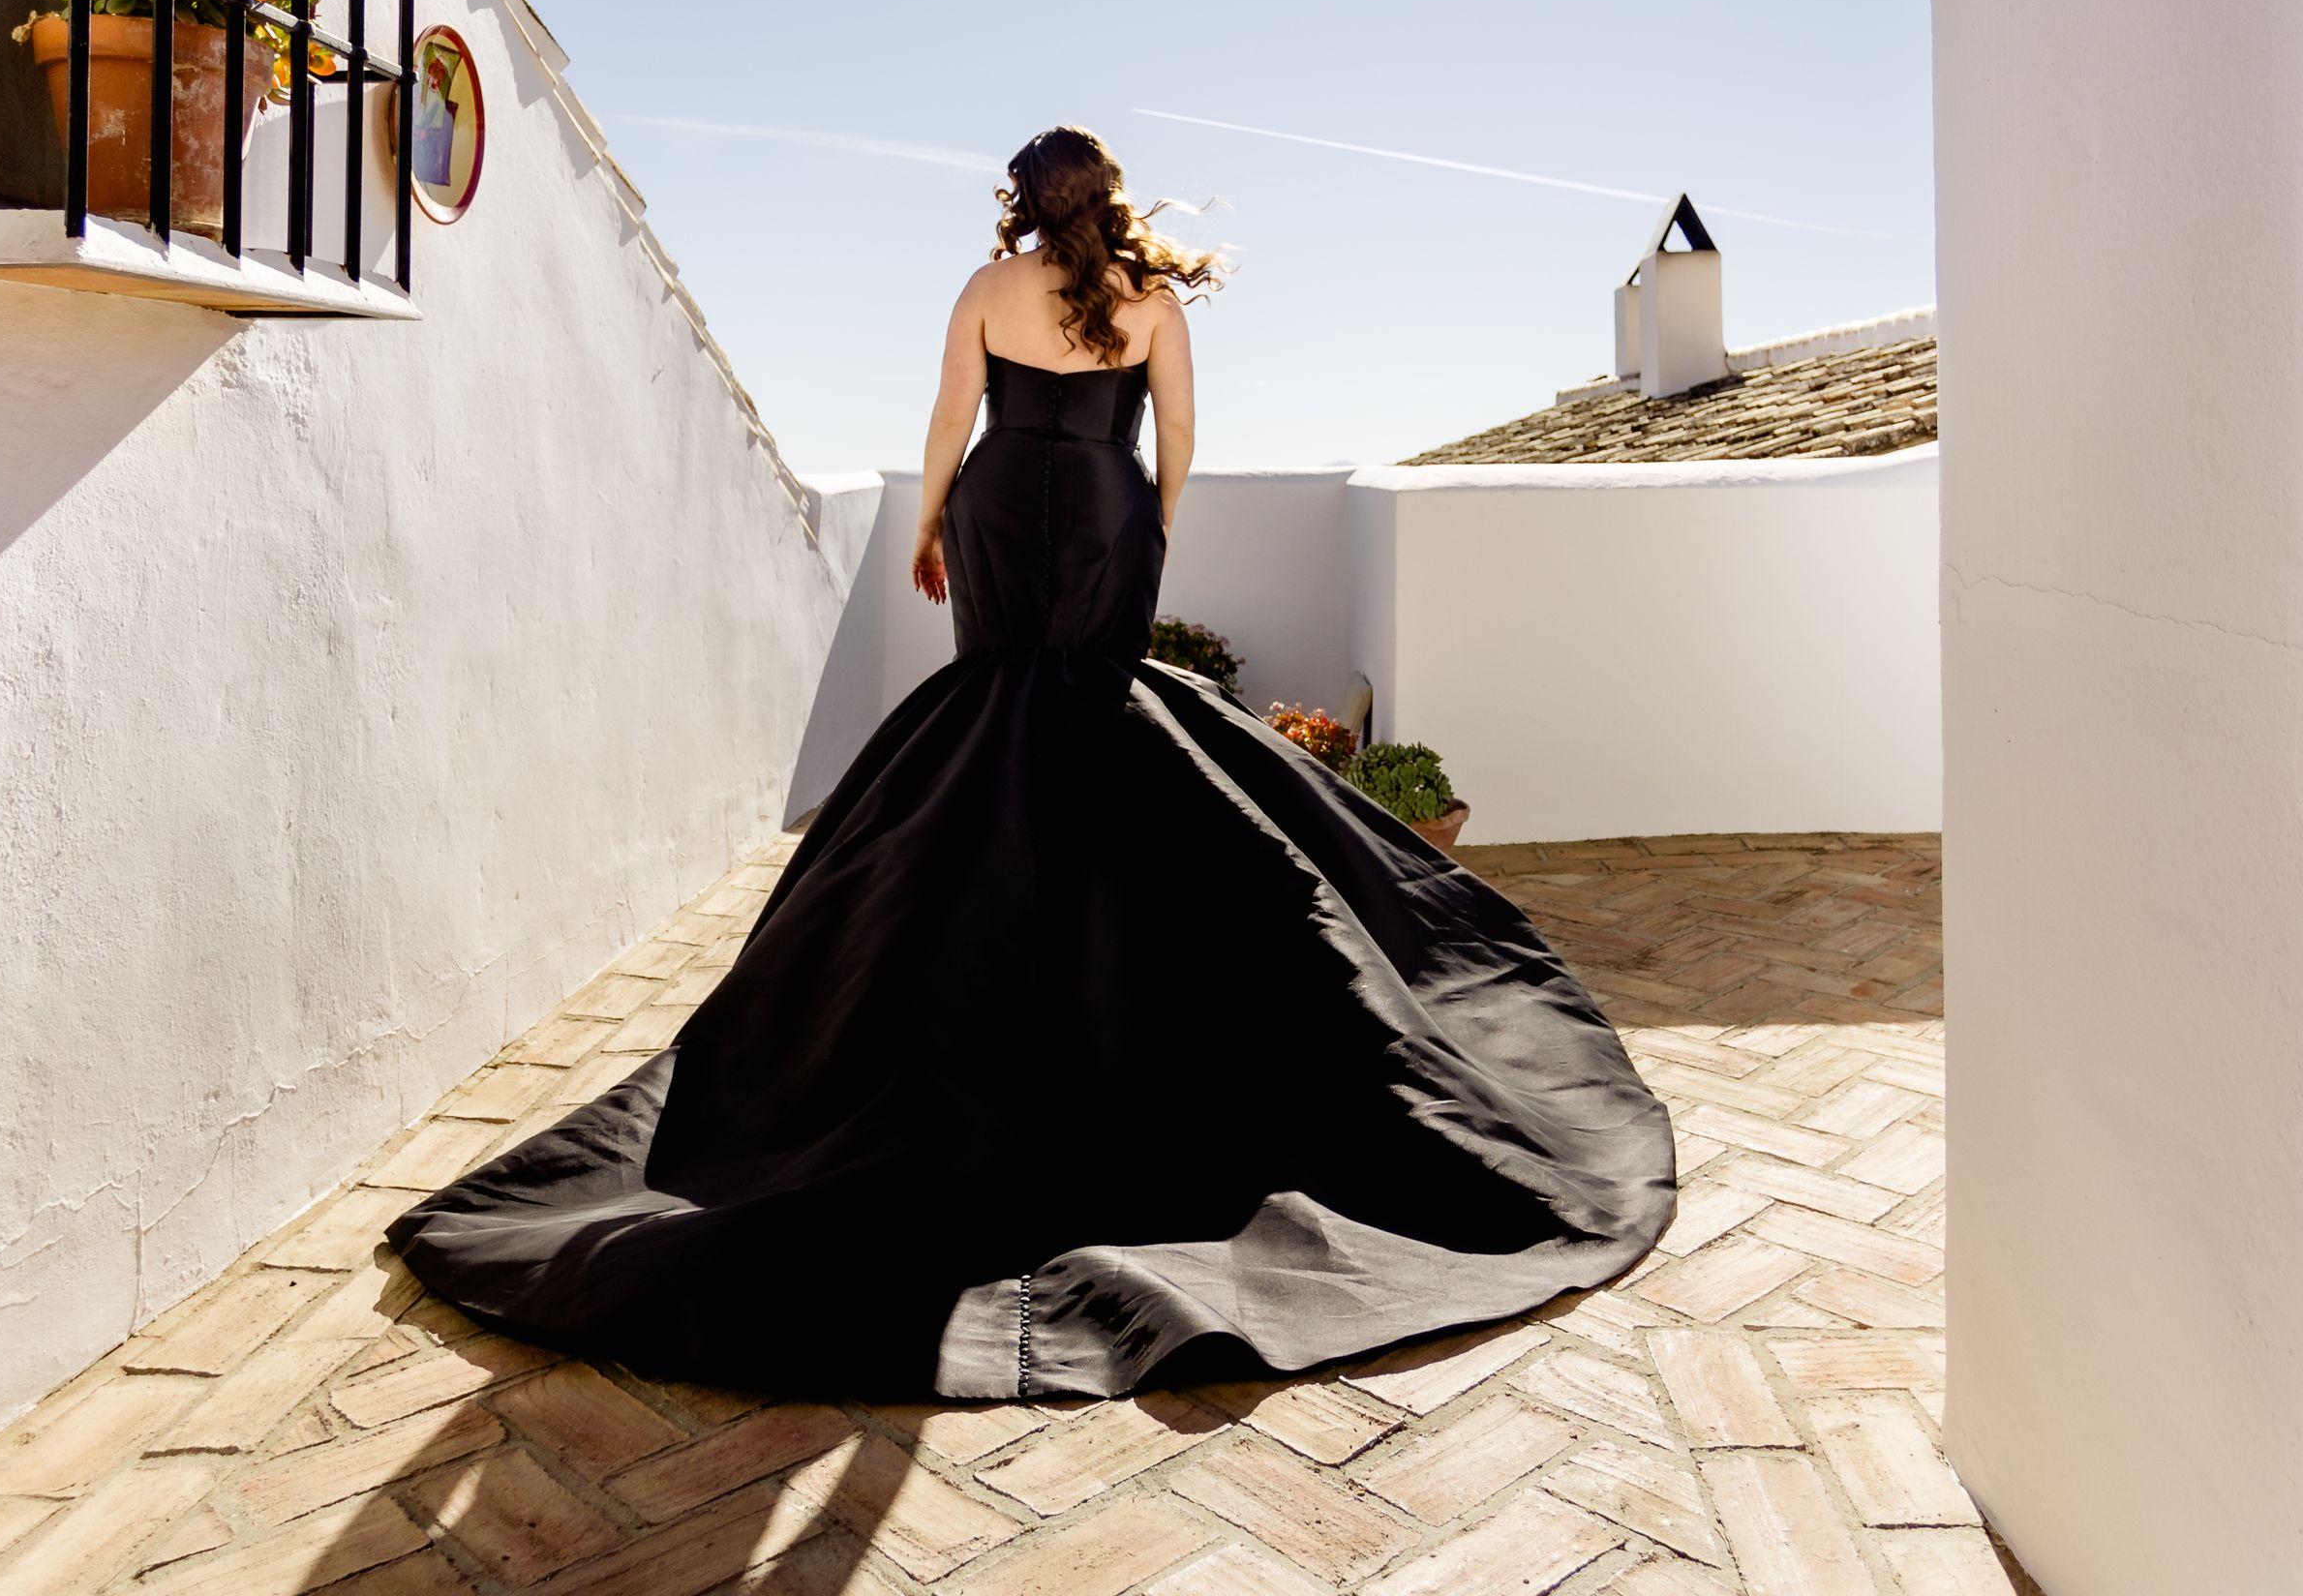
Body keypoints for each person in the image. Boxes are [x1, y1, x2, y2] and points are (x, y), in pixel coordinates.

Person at [389, 127, 1676, 1399]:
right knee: (1093, 708)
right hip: (1110, 502)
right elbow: (1180, 433)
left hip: (999, 497)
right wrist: (1149, 525)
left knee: (997, 701)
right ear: (1107, 197)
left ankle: (978, 927)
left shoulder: (987, 287)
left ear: (1023, 198)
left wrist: (933, 519)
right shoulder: (1152, 298)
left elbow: (953, 413)